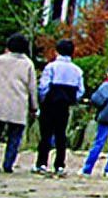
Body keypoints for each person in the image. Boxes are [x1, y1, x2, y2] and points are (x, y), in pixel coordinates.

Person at [35, 37, 83, 174]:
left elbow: (43, 86)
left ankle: (42, 163)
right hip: (64, 105)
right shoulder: (77, 70)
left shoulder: (51, 67)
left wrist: (43, 99)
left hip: (50, 104)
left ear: (56, 51)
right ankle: (59, 165)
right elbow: (81, 90)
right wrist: (72, 100)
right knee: (61, 134)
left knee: (46, 134)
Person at [0, 33, 36, 173]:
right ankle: (8, 164)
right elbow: (32, 88)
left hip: (0, 103)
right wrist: (34, 107)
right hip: (18, 105)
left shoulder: (0, 60)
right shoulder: (28, 64)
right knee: (14, 137)